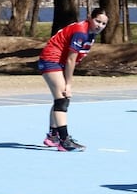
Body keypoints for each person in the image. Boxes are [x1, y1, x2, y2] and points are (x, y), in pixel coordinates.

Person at [37, 8, 109, 152]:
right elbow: (71, 59)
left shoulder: (90, 33)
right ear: (90, 17)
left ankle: (53, 136)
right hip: (51, 60)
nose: (100, 25)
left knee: (59, 98)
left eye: (103, 24)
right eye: (97, 21)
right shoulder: (81, 32)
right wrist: (68, 84)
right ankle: (64, 140)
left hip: (58, 62)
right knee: (62, 99)